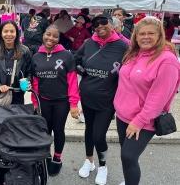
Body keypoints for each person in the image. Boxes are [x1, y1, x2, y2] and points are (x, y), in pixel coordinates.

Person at [114, 16, 180, 185]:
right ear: (135, 36)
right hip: (122, 116)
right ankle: (129, 180)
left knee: (129, 156)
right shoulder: (133, 53)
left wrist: (139, 121)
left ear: (160, 35)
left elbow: (158, 98)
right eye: (141, 33)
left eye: (151, 33)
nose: (145, 37)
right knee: (126, 154)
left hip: (144, 120)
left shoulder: (167, 60)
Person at [74, 14, 128, 185]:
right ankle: (89, 161)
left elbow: (133, 67)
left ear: (112, 25)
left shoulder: (123, 45)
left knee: (99, 136)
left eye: (104, 23)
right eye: (96, 25)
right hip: (87, 96)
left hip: (107, 100)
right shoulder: (89, 43)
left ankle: (103, 166)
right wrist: (83, 71)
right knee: (89, 131)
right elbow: (75, 60)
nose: (100, 27)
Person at [31, 25, 80, 176]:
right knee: (44, 130)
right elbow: (35, 82)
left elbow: (72, 81)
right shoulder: (36, 56)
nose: (50, 38)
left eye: (55, 36)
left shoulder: (66, 55)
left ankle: (57, 158)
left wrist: (73, 104)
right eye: (48, 34)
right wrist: (35, 101)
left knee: (58, 130)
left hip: (61, 102)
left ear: (59, 39)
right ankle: (45, 154)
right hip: (43, 101)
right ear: (43, 34)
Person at [0, 20, 32, 105]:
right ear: (1, 33)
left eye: (12, 31)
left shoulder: (25, 50)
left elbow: (29, 72)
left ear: (16, 33)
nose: (9, 34)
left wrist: (28, 81)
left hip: (18, 94)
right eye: (5, 31)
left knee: (16, 118)